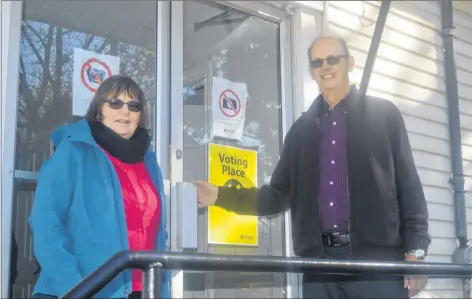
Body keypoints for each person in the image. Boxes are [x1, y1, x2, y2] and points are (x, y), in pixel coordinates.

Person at [194, 35, 431, 299]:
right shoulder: (300, 131)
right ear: (311, 71)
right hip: (319, 269)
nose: (325, 67)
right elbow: (277, 196)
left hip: (376, 267)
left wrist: (416, 251)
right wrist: (219, 196)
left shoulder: (384, 114)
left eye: (333, 59)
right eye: (317, 62)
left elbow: (409, 186)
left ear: (349, 63)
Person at [29, 75, 169, 299]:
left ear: (141, 116)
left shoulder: (149, 161)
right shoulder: (74, 150)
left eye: (134, 106)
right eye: (115, 103)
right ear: (98, 110)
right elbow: (46, 223)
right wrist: (75, 288)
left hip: (142, 289)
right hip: (83, 289)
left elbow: (157, 231)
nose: (125, 111)